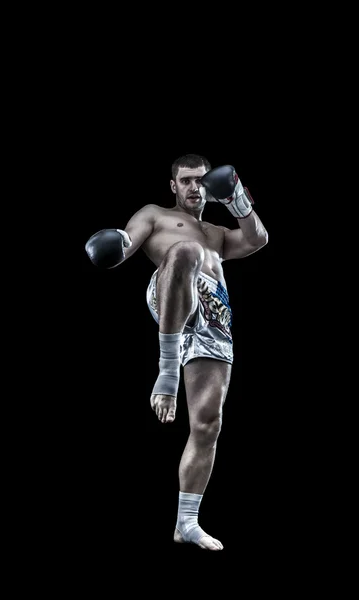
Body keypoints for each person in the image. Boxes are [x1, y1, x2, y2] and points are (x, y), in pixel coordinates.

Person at [85, 154, 268, 551]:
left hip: (215, 314)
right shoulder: (155, 214)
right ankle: (166, 371)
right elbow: (130, 239)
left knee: (208, 423)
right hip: (172, 289)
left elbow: (257, 240)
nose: (194, 188)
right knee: (187, 252)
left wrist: (238, 198)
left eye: (201, 181)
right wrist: (119, 242)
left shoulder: (217, 233)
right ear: (173, 185)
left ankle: (186, 522)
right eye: (186, 181)